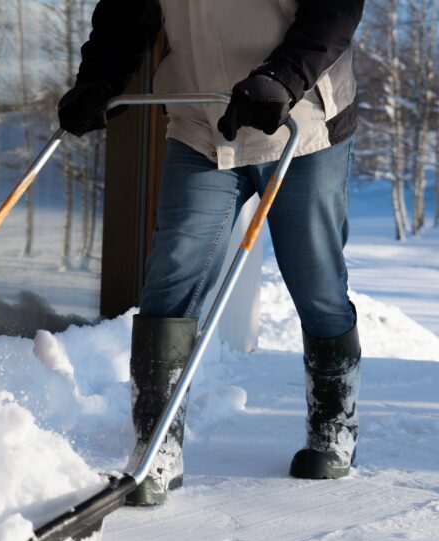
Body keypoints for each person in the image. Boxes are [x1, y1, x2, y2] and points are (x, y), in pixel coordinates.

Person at [58, 0, 365, 506]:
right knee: (174, 272)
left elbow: (333, 9)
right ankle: (156, 444)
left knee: (315, 281)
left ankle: (334, 424)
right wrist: (99, 80)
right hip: (202, 126)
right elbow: (124, 15)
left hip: (300, 123)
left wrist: (282, 77)